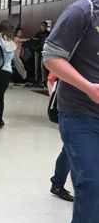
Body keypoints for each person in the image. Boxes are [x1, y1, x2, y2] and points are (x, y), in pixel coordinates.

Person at [43, 0, 99, 223]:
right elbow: (50, 56)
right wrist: (89, 87)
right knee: (91, 179)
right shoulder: (83, 11)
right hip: (81, 111)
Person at [46, 72, 73, 202]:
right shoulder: (72, 58)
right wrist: (55, 99)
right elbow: (51, 79)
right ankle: (57, 184)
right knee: (69, 150)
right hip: (73, 111)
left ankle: (58, 184)